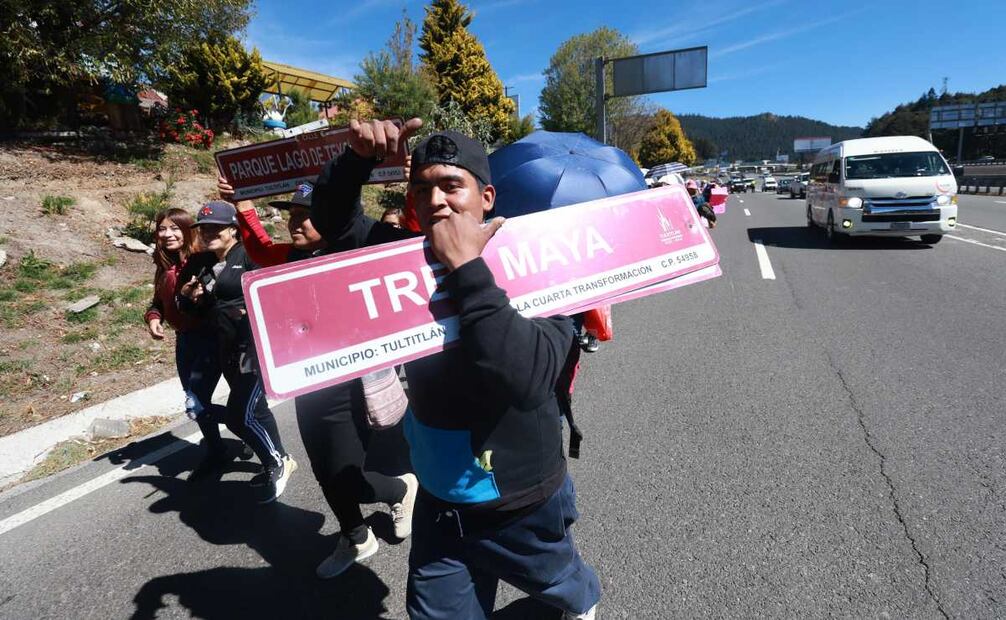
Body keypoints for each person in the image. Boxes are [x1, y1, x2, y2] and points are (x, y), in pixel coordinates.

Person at [311, 118, 599, 620]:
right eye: (422, 189)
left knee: (563, 591)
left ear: (486, 197)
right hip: (440, 500)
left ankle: (580, 596)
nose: (436, 200)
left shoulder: (543, 264)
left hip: (521, 502)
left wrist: (468, 270)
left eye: (451, 185)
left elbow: (528, 378)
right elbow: (334, 223)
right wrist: (355, 159)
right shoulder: (398, 259)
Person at [217, 177, 418, 578]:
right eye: (292, 215)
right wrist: (242, 206)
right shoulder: (286, 258)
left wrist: (412, 190)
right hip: (307, 385)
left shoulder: (356, 250)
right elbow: (258, 246)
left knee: (349, 473)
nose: (295, 223)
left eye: (306, 217)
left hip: (354, 384)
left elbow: (410, 246)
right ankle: (357, 537)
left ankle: (399, 489)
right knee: (324, 470)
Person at [177, 201, 296, 503]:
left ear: (233, 229)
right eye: (203, 228)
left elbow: (273, 294)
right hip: (224, 348)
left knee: (239, 415)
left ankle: (276, 462)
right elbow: (195, 307)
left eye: (216, 227)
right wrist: (190, 298)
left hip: (255, 349)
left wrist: (244, 311)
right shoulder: (201, 262)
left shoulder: (250, 256)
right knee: (251, 410)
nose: (208, 233)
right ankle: (277, 453)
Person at [145, 208, 248, 480]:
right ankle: (219, 449)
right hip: (185, 341)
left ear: (189, 230)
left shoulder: (203, 260)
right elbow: (159, 300)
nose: (167, 234)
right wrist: (154, 316)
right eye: (163, 229)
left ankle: (247, 427)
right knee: (196, 402)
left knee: (197, 403)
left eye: (175, 228)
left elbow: (224, 296)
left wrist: (200, 298)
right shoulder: (164, 264)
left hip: (211, 338)